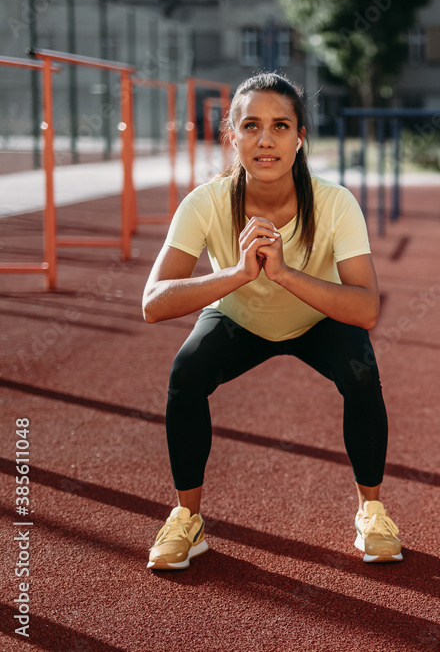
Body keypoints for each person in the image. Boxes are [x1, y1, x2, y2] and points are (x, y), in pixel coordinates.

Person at [141, 72, 401, 569]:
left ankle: (372, 511)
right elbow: (153, 302)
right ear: (231, 135)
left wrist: (283, 273)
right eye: (251, 126)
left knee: (362, 371)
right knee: (186, 373)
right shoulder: (205, 202)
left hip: (316, 318)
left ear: (300, 137)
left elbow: (366, 308)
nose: (266, 140)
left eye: (281, 126)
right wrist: (240, 274)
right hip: (238, 316)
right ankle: (187, 519)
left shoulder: (334, 203)